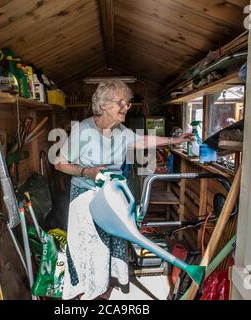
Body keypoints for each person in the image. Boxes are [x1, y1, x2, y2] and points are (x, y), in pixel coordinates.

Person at [54, 80, 193, 300]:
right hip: (87, 196)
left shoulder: (120, 131)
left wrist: (173, 140)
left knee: (114, 238)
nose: (126, 107)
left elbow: (142, 140)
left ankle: (107, 284)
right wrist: (86, 172)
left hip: (112, 194)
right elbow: (60, 162)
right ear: (104, 105)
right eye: (122, 102)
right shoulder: (83, 130)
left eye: (127, 103)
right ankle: (89, 287)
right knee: (93, 245)